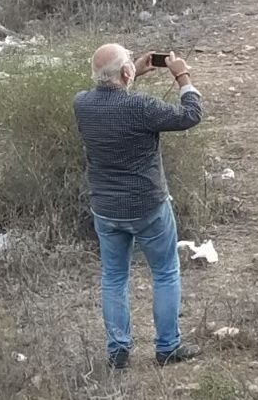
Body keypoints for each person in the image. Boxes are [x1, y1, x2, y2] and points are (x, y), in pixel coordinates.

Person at [73, 43, 205, 369]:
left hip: (105, 208)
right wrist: (183, 77)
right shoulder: (141, 107)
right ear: (125, 72)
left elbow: (114, 105)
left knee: (114, 278)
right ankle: (167, 347)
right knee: (165, 273)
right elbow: (190, 115)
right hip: (147, 206)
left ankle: (118, 350)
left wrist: (134, 74)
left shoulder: (82, 104)